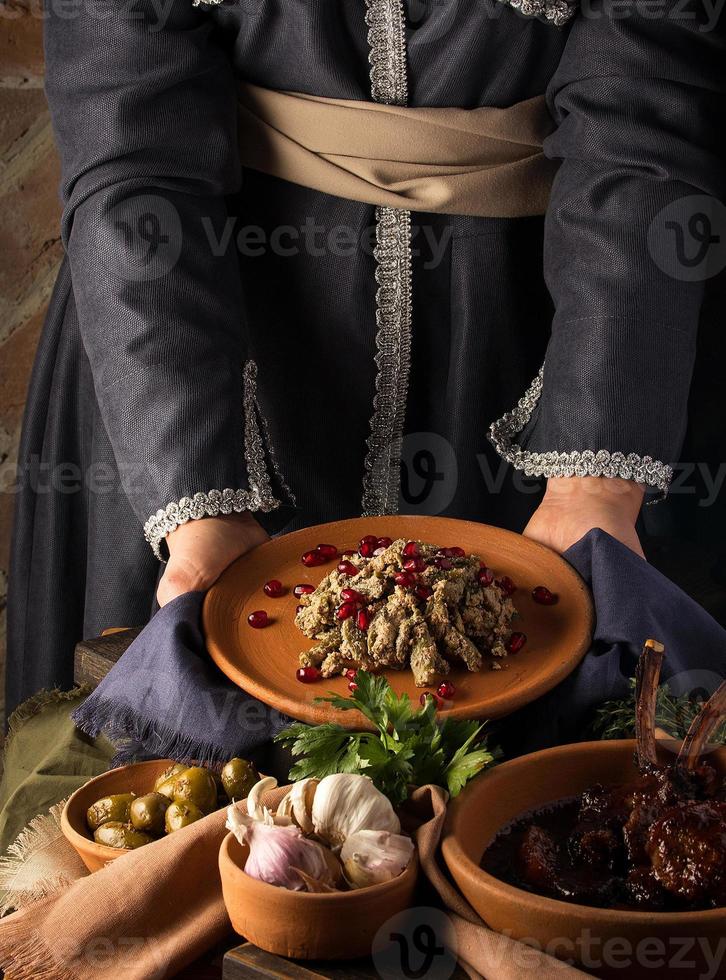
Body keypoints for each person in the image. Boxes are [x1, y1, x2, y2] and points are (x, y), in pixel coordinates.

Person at [6, 0, 725, 716]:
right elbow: (128, 136)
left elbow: (647, 101)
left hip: (577, 334)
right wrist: (198, 510)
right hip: (187, 340)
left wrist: (593, 485)